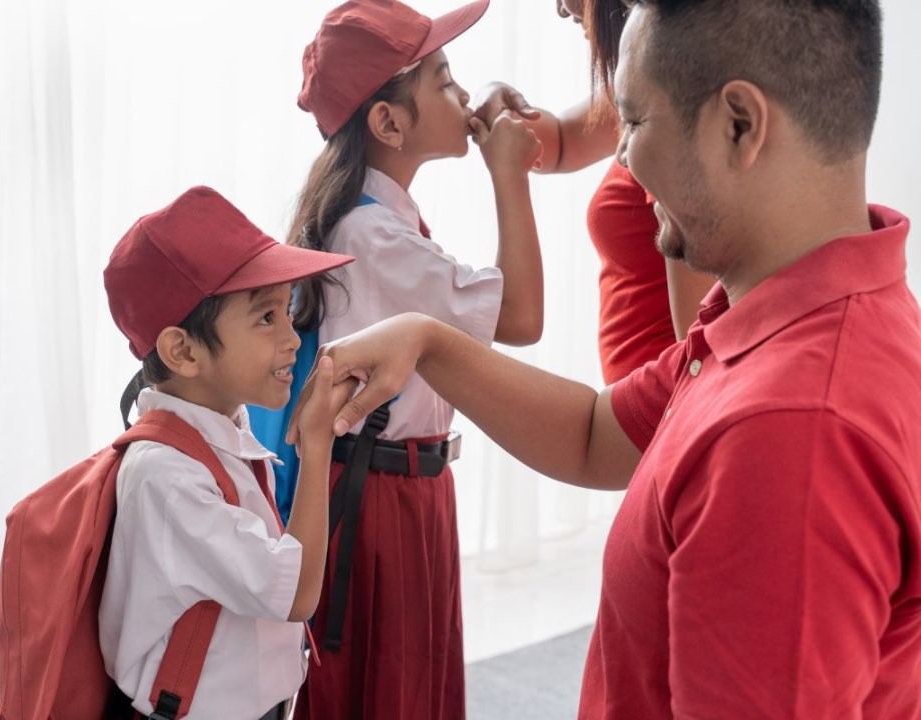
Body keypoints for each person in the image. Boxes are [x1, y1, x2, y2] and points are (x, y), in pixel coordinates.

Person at [291, 0, 921, 717]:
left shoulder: (788, 433)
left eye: (637, 123)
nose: (621, 157)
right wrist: (429, 341)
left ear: (739, 126)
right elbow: (594, 433)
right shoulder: (768, 324)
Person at [286, 1, 544, 717]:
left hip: (405, 489)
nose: (463, 97)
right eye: (444, 80)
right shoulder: (374, 237)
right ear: (389, 124)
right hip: (384, 503)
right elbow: (522, 317)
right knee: (397, 692)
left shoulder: (378, 221)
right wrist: (508, 176)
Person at [98, 186, 357, 720]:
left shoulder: (223, 430)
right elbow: (297, 595)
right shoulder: (166, 474)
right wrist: (316, 444)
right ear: (184, 350)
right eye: (266, 318)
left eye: (287, 311)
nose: (291, 338)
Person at [475, 0, 715, 383]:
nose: (559, 9)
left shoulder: (671, 108)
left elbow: (700, 338)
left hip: (667, 411)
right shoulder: (641, 89)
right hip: (645, 411)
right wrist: (493, 96)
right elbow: (562, 143)